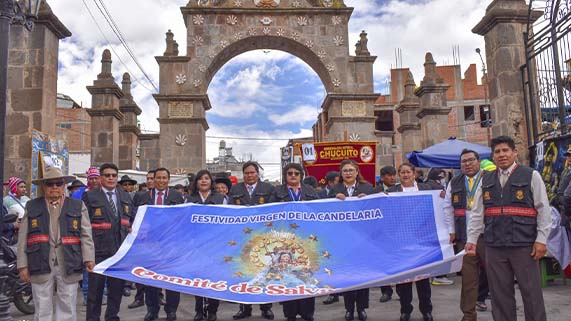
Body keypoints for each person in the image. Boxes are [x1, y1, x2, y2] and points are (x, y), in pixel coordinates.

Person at [465, 135, 550, 321]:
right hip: (494, 246)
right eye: (497, 152)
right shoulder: (486, 180)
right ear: (492, 157)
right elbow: (477, 213)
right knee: (499, 296)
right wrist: (471, 240)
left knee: (531, 294)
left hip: (524, 245)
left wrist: (541, 240)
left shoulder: (531, 175)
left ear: (514, 152)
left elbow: (544, 209)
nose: (502, 155)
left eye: (505, 150)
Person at [16, 167, 95, 321]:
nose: (54, 187)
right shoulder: (32, 206)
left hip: (69, 261)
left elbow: (86, 235)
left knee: (68, 305)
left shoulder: (78, 206)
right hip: (39, 261)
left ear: (64, 185)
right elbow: (23, 237)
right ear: (43, 186)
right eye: (50, 184)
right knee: (42, 306)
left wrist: (89, 259)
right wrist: (22, 266)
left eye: (58, 184)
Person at [83, 163, 134, 321]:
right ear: (100, 178)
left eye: (114, 175)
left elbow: (131, 219)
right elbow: (84, 225)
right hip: (98, 251)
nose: (111, 178)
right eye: (107, 175)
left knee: (116, 290)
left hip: (119, 252)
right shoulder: (90, 196)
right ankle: (93, 318)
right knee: (95, 291)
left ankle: (112, 317)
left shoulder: (125, 196)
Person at [133, 168, 185, 321]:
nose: (161, 181)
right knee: (150, 280)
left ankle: (171, 310)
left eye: (164, 178)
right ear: (153, 179)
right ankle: (152, 310)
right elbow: (135, 218)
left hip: (171, 245)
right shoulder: (142, 196)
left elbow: (182, 220)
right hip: (149, 245)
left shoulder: (177, 196)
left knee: (172, 280)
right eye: (158, 178)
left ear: (168, 180)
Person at [270, 163, 319, 321]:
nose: (293, 175)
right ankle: (290, 313)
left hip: (306, 240)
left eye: (296, 173)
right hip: (285, 240)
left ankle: (307, 312)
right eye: (289, 173)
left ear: (301, 175)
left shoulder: (311, 191)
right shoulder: (277, 192)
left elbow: (322, 211)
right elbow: (269, 212)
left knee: (305, 274)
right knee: (287, 275)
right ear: (285, 175)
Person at [443, 149, 488, 321]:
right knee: (469, 279)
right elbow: (447, 207)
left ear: (478, 161)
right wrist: (451, 230)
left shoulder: (489, 178)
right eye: (464, 161)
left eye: (471, 160)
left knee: (497, 276)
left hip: (487, 235)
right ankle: (469, 316)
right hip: (465, 237)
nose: (468, 164)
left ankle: (503, 312)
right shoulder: (454, 182)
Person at [228, 161, 275, 320]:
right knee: (244, 272)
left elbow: (275, 210)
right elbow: (230, 211)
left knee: (264, 271)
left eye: (252, 172)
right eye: (246, 173)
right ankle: (244, 307)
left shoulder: (268, 189)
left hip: (263, 237)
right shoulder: (235, 189)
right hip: (243, 238)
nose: (249, 175)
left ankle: (266, 307)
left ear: (258, 173)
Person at [329, 159, 374, 321]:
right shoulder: (334, 189)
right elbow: (326, 210)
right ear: (341, 174)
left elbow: (377, 209)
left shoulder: (367, 188)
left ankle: (362, 308)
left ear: (357, 172)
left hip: (363, 239)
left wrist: (367, 199)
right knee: (347, 275)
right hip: (343, 240)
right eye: (345, 171)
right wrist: (334, 200)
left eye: (351, 170)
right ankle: (349, 308)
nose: (348, 173)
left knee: (362, 275)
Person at [388, 163, 435, 321]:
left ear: (414, 174)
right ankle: (405, 310)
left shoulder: (427, 188)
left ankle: (426, 310)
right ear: (398, 175)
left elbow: (442, 199)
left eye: (408, 172)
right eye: (402, 173)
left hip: (422, 242)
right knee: (404, 281)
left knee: (423, 280)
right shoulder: (390, 192)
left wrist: (442, 195)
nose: (405, 175)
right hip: (400, 242)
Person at [187, 170, 225, 321]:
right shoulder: (190, 198)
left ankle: (213, 310)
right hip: (196, 245)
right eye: (200, 179)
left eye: (206, 178)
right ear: (196, 182)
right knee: (198, 279)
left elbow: (227, 220)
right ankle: (199, 311)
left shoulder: (221, 198)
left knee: (213, 278)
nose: (203, 181)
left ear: (211, 182)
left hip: (215, 245)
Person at [129, 169, 157, 310]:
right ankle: (139, 297)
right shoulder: (140, 196)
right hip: (143, 239)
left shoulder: (165, 196)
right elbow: (134, 214)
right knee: (140, 270)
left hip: (160, 241)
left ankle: (159, 297)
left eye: (153, 178)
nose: (150, 181)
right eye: (148, 178)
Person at [373, 165, 396, 303]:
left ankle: (401, 290)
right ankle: (386, 291)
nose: (392, 178)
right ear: (382, 178)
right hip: (380, 233)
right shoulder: (374, 191)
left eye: (393, 175)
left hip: (396, 231)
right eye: (389, 175)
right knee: (383, 263)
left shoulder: (399, 190)